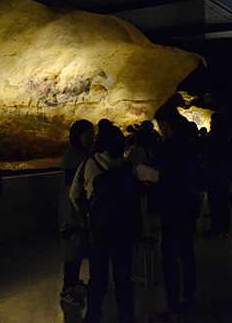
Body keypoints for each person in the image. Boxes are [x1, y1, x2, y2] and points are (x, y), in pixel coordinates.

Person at [71, 124, 141, 323]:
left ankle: (93, 315)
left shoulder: (89, 165)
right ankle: (127, 317)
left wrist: (84, 216)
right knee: (123, 277)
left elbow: (75, 195)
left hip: (99, 230)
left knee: (98, 277)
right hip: (123, 230)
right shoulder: (127, 166)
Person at [153, 104, 202, 315]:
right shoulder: (189, 143)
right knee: (187, 253)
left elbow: (166, 177)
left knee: (170, 256)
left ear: (165, 124)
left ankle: (172, 301)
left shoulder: (170, 146)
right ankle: (189, 297)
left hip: (173, 207)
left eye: (159, 126)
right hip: (189, 205)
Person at [59, 120, 95, 306]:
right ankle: (67, 289)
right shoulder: (73, 157)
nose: (91, 138)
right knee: (72, 249)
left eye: (92, 134)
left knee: (79, 247)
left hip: (78, 208)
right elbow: (70, 188)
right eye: (88, 134)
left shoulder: (81, 154)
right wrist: (78, 211)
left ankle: (74, 282)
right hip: (72, 210)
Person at [203, 112, 232, 238]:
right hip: (226, 172)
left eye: (212, 121)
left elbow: (209, 153)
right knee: (224, 201)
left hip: (215, 171)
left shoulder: (214, 135)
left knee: (215, 201)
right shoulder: (229, 136)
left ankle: (216, 229)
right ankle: (225, 229)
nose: (211, 123)